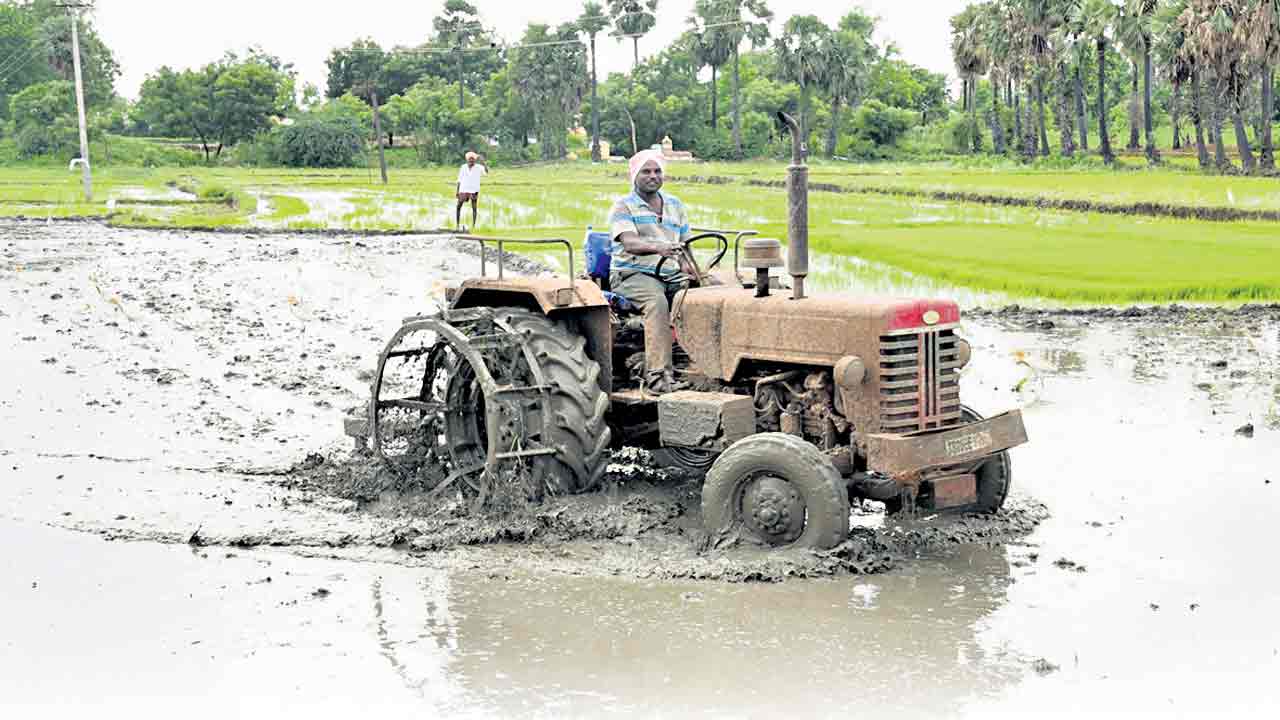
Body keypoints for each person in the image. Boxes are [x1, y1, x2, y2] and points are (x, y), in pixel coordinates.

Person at [608, 148, 697, 396]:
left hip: (670, 273)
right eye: (646, 171)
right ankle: (658, 376)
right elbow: (629, 242)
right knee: (657, 303)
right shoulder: (624, 206)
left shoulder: (675, 205)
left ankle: (703, 363)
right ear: (634, 176)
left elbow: (685, 244)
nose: (653, 176)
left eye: (657, 171)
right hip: (632, 274)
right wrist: (659, 247)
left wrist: (688, 267)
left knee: (709, 293)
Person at [455, 151, 487, 230]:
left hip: (474, 190)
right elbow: (459, 179)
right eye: (470, 159)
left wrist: (483, 162)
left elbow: (486, 172)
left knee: (474, 208)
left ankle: (473, 226)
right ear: (467, 159)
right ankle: (457, 225)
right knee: (458, 206)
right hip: (463, 189)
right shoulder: (463, 167)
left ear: (475, 160)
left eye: (473, 159)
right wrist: (457, 191)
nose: (471, 160)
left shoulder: (479, 167)